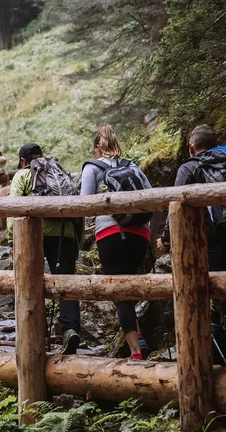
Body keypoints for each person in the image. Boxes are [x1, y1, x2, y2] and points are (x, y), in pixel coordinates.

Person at [156, 124, 226, 370]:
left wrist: (165, 239)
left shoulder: (190, 168)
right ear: (215, 144)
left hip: (213, 247)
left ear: (192, 147)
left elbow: (176, 206)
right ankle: (218, 359)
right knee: (218, 304)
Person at [80, 125, 151, 360]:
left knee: (119, 291)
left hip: (111, 234)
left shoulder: (93, 168)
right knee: (129, 284)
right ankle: (138, 335)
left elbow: (84, 203)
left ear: (96, 148)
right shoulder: (133, 166)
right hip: (141, 235)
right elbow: (152, 197)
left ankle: (136, 352)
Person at [9, 142, 84, 354]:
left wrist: (12, 241)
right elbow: (78, 207)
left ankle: (35, 332)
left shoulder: (23, 175)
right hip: (64, 233)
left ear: (23, 161)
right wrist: (77, 238)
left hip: (32, 236)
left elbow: (13, 208)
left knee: (29, 281)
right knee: (66, 280)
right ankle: (70, 329)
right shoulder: (58, 172)